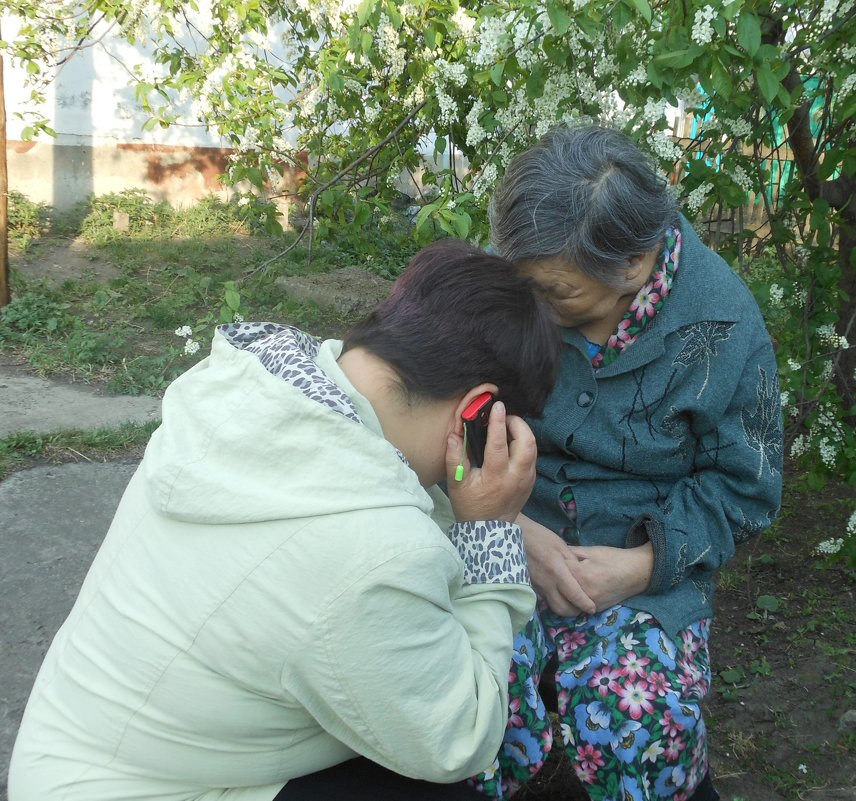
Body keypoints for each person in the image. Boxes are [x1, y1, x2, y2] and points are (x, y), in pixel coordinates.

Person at [8, 239, 563, 801]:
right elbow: (461, 738)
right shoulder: (373, 550)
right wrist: (489, 530)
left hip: (73, 754)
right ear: (477, 413)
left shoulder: (257, 384)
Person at [470, 125, 784, 801]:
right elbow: (450, 416)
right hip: (500, 526)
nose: (537, 311)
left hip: (647, 574)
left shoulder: (722, 326)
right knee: (462, 701)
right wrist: (508, 527)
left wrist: (640, 566)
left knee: (637, 730)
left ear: (635, 264)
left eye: (559, 295)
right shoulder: (526, 274)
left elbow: (746, 489)